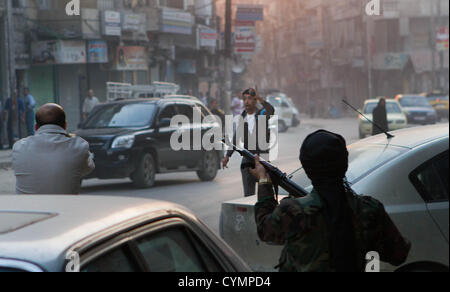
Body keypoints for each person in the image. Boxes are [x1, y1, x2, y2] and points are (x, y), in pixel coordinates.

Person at [250, 130, 411, 272]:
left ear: (307, 167)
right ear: (345, 164)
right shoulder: (369, 209)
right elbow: (398, 254)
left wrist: (264, 181)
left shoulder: (293, 211)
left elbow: (265, 230)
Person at [12, 103, 95, 194]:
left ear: (36, 127)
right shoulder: (79, 146)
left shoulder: (19, 147)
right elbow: (88, 168)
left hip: (27, 208)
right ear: (65, 126)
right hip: (65, 208)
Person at [222, 88, 275, 197]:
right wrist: (227, 156)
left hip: (262, 160)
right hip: (247, 160)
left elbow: (271, 110)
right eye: (244, 99)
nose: (246, 101)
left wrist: (260, 98)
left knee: (264, 193)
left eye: (250, 98)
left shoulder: (262, 114)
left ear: (255, 101)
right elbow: (236, 138)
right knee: (248, 196)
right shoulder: (243, 117)